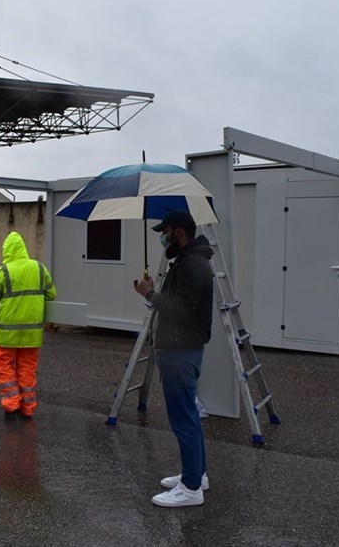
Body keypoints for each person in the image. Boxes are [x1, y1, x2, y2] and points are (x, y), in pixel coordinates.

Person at [133, 210, 214, 508]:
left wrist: (151, 294)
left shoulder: (192, 264)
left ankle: (191, 488)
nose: (162, 236)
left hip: (180, 352)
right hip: (181, 350)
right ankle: (197, 474)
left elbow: (180, 312)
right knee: (189, 417)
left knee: (183, 420)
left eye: (165, 231)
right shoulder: (187, 260)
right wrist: (154, 293)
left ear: (178, 232)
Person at [0, 231, 56, 419]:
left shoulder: (3, 271)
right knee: (27, 368)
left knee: (3, 364)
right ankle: (28, 407)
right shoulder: (39, 268)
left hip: (6, 333)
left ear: (7, 251)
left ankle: (11, 404)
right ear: (23, 249)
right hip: (32, 334)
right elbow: (52, 294)